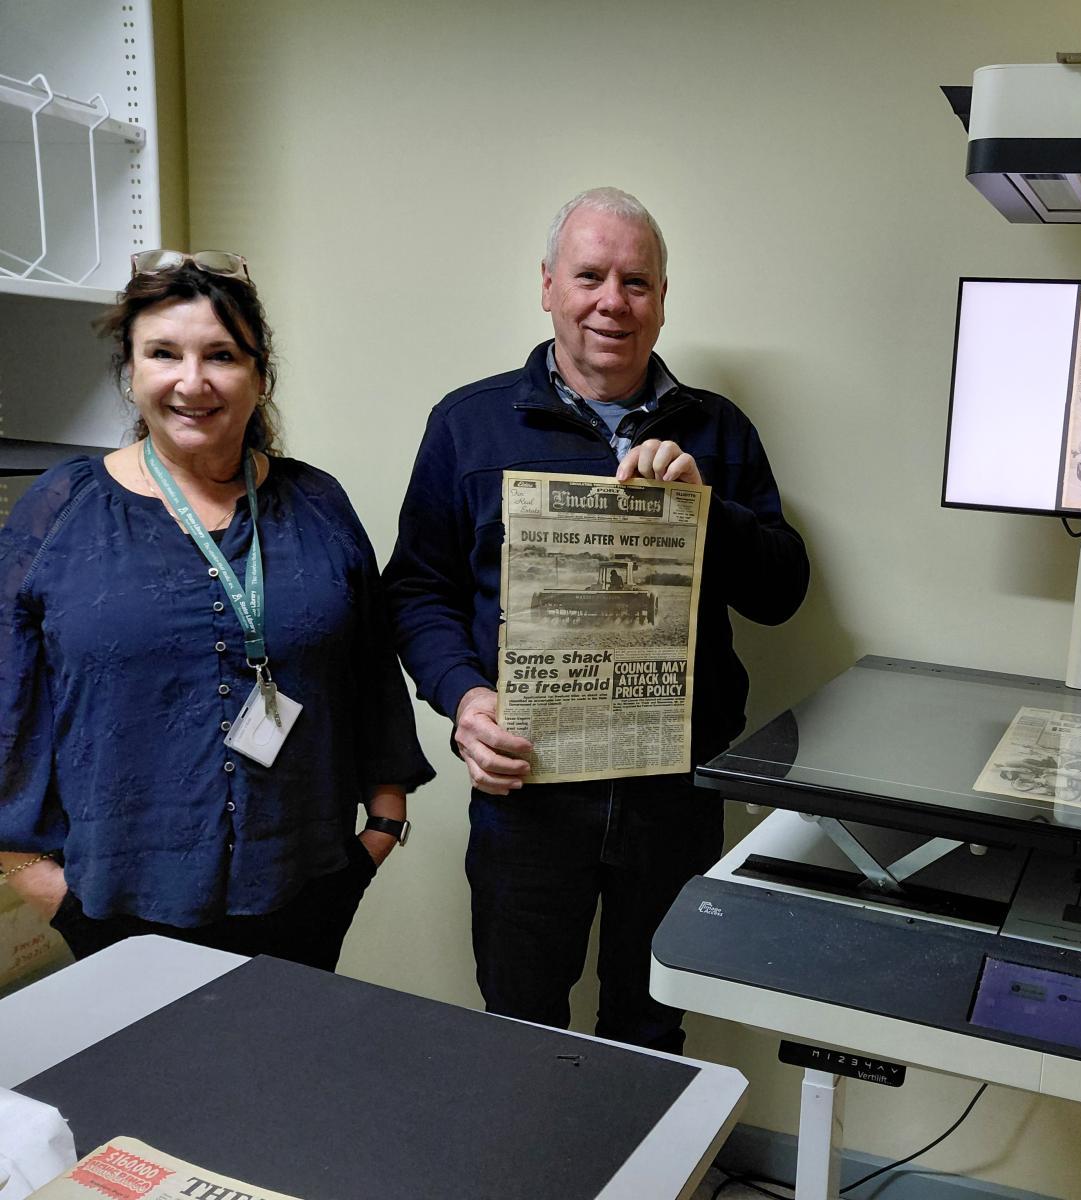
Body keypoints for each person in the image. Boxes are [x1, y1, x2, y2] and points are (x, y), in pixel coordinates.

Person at [385, 187, 809, 1052]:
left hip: (675, 795)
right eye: (589, 276)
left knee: (650, 1023)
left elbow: (781, 591)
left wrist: (703, 512)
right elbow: (417, 592)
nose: (612, 301)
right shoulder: (467, 425)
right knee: (521, 1024)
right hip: (527, 792)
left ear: (661, 299)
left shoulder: (720, 432)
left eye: (637, 282)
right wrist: (465, 702)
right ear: (548, 286)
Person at [0, 251, 434, 968]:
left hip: (305, 892)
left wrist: (383, 824)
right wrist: (38, 878)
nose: (192, 381)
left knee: (285, 1077)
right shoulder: (60, 510)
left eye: (221, 355)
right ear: (131, 370)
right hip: (114, 904)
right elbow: (9, 700)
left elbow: (370, 675)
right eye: (163, 353)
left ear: (259, 376)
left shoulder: (316, 504)